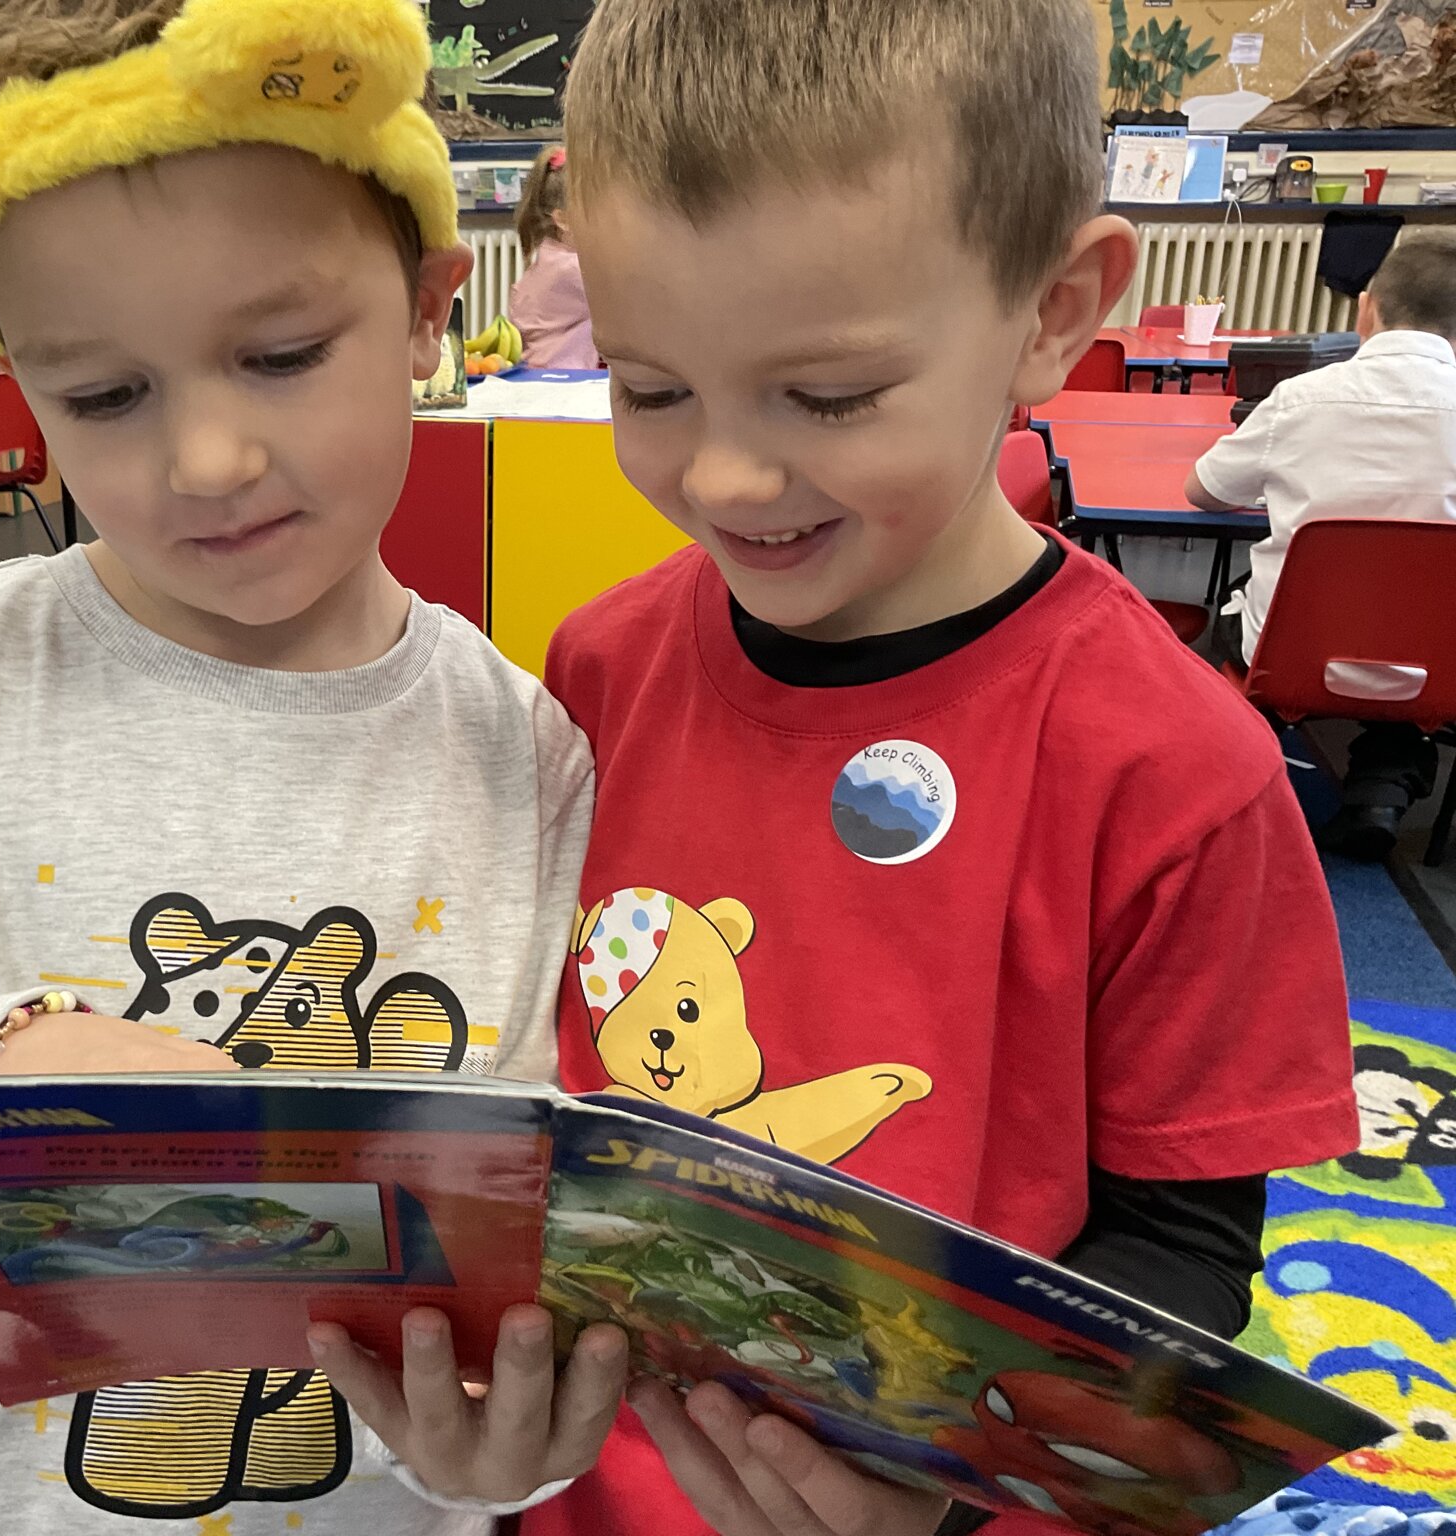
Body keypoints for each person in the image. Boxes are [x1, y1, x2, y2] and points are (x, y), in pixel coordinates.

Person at [0, 2, 625, 1534]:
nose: (209, 459)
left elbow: (548, 1230)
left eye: (282, 352)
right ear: (17, 380)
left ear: (436, 305)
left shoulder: (530, 750)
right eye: (105, 395)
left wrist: (526, 1448)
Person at [525, 2, 1360, 1535]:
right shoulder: (594, 672)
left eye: (831, 397)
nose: (721, 476)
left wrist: (947, 1504)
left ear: (1052, 312)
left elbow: (1177, 1251)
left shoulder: (1179, 770)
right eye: (651, 390)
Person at [1188, 229, 1456, 862]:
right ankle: (1382, 786)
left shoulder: (1301, 400)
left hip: (1290, 655)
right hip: (1439, 670)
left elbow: (1202, 491)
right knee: (1412, 618)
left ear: (1366, 308)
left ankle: (1241, 760)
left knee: (1236, 600)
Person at [506, 146, 598, 369]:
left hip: (538, 372)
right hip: (564, 379)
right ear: (563, 220)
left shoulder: (550, 257)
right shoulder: (572, 270)